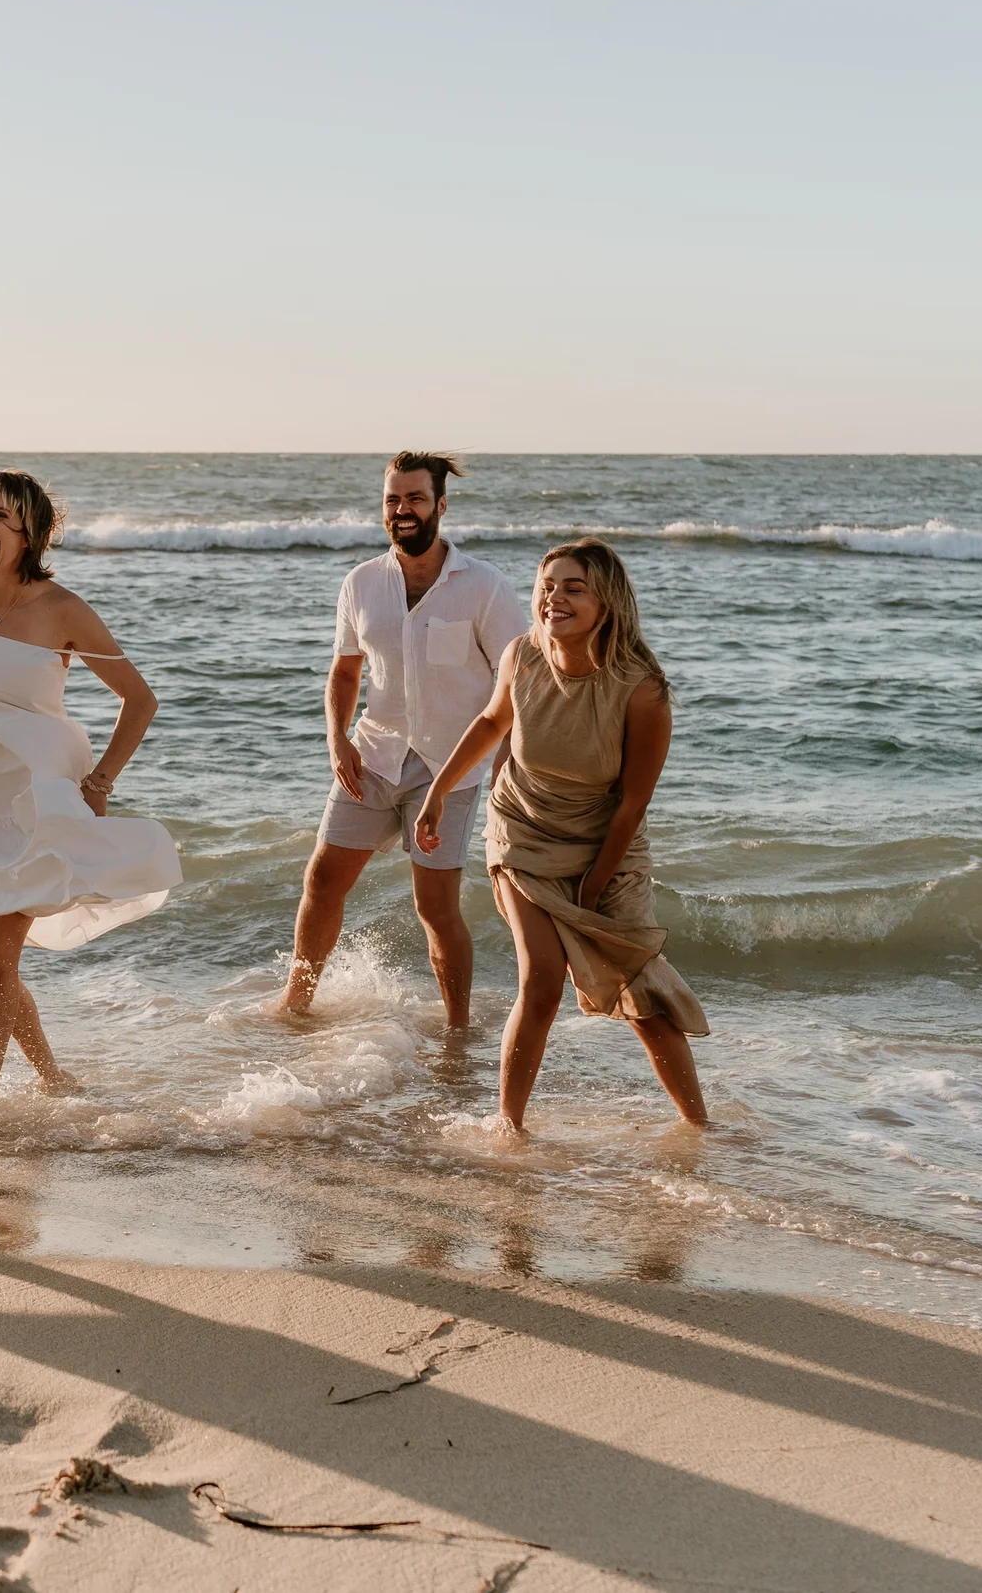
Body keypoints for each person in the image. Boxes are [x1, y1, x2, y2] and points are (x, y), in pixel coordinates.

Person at [414, 537, 708, 1130]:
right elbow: (492, 721)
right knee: (542, 979)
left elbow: (632, 803)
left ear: (608, 602)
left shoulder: (641, 689)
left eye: (574, 588)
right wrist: (438, 792)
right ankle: (510, 1126)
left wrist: (594, 887)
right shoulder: (522, 656)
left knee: (643, 999)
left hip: (608, 847)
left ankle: (700, 1127)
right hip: (523, 832)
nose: (555, 599)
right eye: (548, 587)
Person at [0, 469, 180, 1112]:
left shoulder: (64, 611)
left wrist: (99, 781)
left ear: (30, 532)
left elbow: (140, 701)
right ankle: (53, 1080)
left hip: (35, 804)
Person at [282, 451, 528, 1029]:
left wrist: (505, 767)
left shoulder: (485, 588)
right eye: (393, 499)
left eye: (415, 499)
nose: (402, 510)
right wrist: (337, 738)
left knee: (434, 907)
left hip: (450, 769)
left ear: (441, 506)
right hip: (373, 756)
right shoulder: (361, 583)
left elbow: (519, 682)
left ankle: (457, 1028)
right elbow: (345, 671)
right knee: (321, 880)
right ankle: (295, 1005)